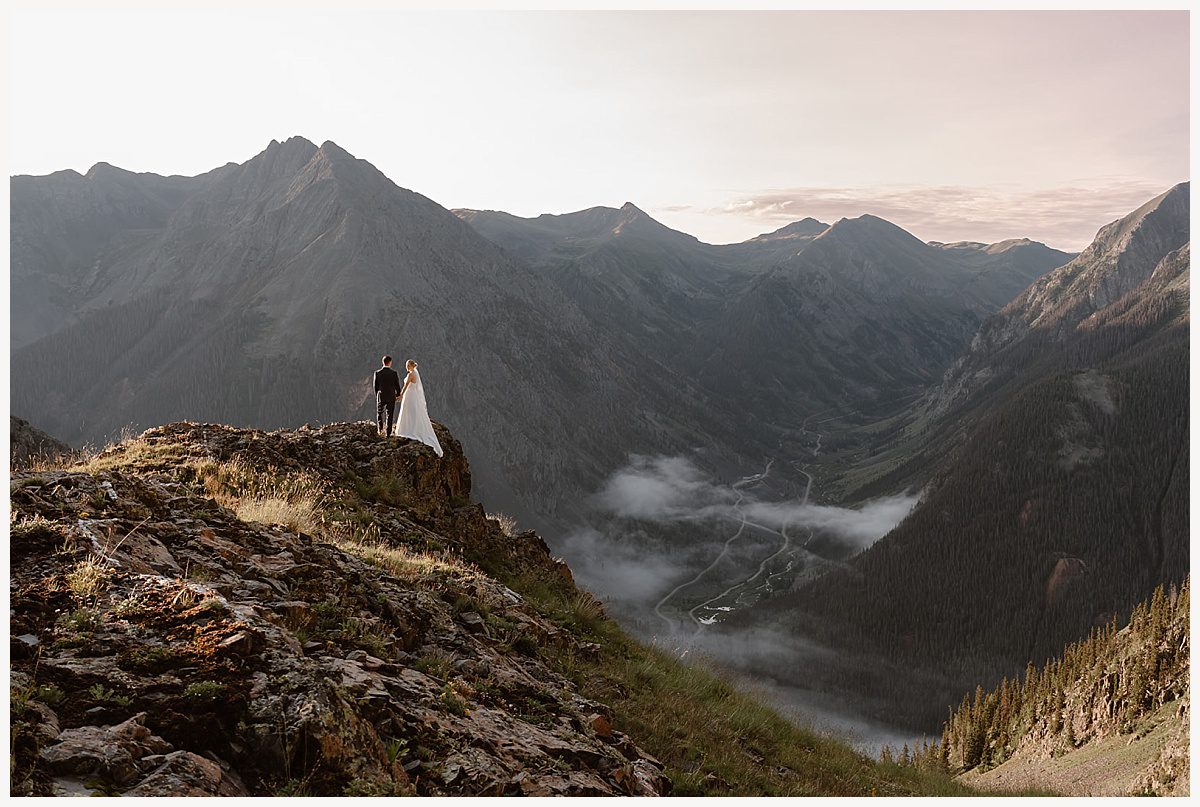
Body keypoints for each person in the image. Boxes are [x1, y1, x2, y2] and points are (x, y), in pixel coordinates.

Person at [394, 359, 443, 456]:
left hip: (410, 396)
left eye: (407, 365)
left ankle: (409, 428)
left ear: (411, 366)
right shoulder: (415, 374)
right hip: (413, 395)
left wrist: (401, 395)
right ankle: (413, 426)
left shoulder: (411, 374)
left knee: (408, 411)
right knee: (413, 412)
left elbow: (406, 386)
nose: (406, 367)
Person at [373, 355, 402, 437]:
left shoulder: (377, 373)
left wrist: (377, 395)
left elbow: (375, 386)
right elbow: (397, 386)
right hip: (391, 396)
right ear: (390, 363)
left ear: (383, 362)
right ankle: (388, 433)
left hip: (381, 396)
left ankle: (380, 429)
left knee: (379, 413)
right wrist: (397, 395)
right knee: (390, 415)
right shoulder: (394, 373)